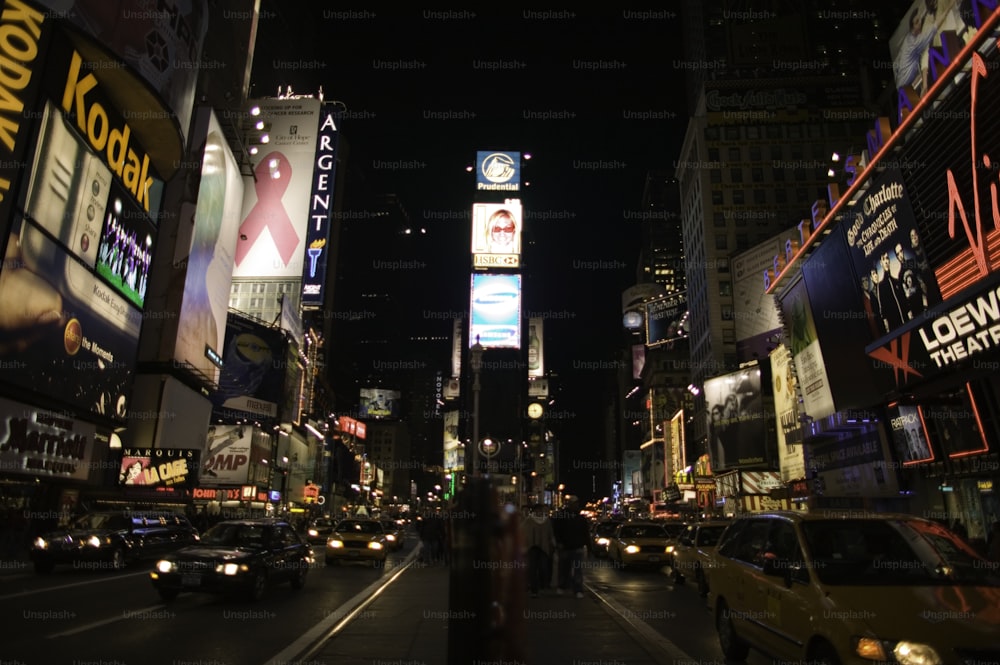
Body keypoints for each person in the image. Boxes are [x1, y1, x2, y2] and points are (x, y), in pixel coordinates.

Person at [553, 499, 590, 598]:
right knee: (564, 568)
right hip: (566, 546)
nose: (575, 505)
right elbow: (556, 530)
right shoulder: (562, 516)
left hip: (577, 546)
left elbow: (586, 533)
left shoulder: (580, 518)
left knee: (577, 569)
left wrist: (586, 545)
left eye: (576, 503)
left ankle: (577, 589)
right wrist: (559, 542)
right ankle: (563, 587)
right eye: (574, 503)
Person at [520, 504, 555, 598]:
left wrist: (552, 543)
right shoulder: (529, 520)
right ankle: (534, 589)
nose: (539, 511)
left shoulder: (546, 520)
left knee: (543, 568)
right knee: (532, 569)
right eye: (538, 510)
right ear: (534, 510)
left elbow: (550, 533)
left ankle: (542, 587)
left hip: (543, 548)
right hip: (532, 547)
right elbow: (523, 531)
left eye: (541, 510)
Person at [875, 252, 906, 332]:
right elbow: (882, 309)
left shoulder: (896, 281)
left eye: (887, 258)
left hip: (906, 322)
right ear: (881, 263)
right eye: (883, 259)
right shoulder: (881, 286)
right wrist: (887, 327)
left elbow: (904, 299)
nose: (886, 262)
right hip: (894, 327)